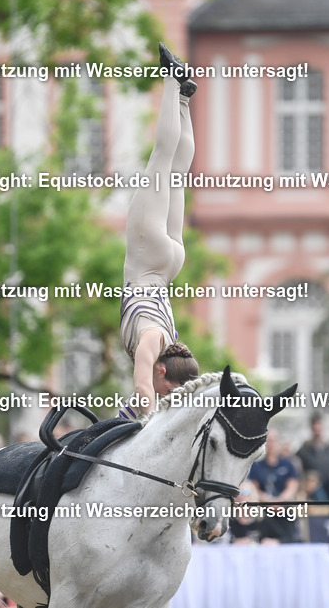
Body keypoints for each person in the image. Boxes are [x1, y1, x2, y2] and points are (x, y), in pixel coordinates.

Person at [118, 43, 200, 418]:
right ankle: (172, 80)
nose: (164, 395)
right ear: (163, 371)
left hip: (169, 265)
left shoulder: (168, 337)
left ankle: (183, 99)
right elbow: (141, 389)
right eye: (168, 390)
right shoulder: (152, 344)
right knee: (162, 162)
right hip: (149, 255)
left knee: (176, 174)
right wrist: (151, 426)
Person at [248, 431, 300, 543]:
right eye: (268, 441)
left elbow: (292, 486)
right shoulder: (257, 466)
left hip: (284, 507)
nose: (271, 444)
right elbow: (254, 489)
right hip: (264, 510)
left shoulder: (288, 464)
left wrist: (280, 501)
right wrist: (269, 502)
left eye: (273, 440)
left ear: (278, 442)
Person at [296, 414, 329, 484]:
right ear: (311, 427)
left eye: (319, 424)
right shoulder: (304, 449)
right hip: (311, 486)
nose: (317, 427)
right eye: (314, 424)